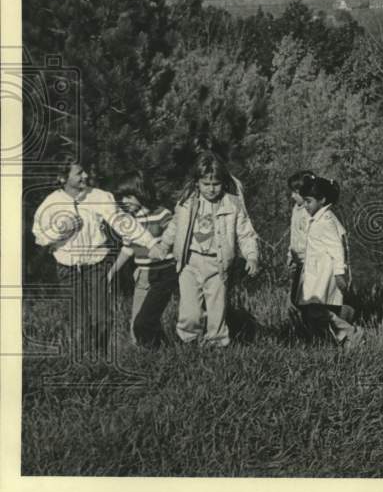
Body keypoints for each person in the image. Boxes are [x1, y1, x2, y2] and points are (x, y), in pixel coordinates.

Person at [31, 157, 160, 361]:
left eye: (85, 171)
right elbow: (39, 236)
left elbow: (123, 222)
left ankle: (99, 357)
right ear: (62, 178)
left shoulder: (100, 197)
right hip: (68, 268)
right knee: (79, 320)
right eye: (79, 173)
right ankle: (82, 361)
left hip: (97, 265)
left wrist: (150, 242)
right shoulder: (51, 203)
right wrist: (60, 230)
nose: (86, 176)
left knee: (103, 317)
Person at [157, 152, 259, 347]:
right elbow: (175, 225)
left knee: (216, 309)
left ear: (223, 182)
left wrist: (252, 256)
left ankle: (217, 343)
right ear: (197, 183)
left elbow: (246, 233)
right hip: (189, 263)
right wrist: (164, 245)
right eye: (206, 184)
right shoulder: (187, 202)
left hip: (218, 264)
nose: (211, 189)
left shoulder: (233, 204)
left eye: (216, 184)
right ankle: (189, 341)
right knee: (190, 311)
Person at [107, 171, 176, 347]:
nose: (124, 201)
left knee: (146, 319)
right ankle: (152, 352)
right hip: (143, 275)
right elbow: (128, 249)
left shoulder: (162, 214)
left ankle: (158, 350)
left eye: (129, 196)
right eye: (121, 197)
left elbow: (177, 240)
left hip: (165, 273)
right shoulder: (129, 221)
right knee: (137, 323)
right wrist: (111, 272)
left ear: (141, 192)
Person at [294, 174, 363, 347]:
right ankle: (328, 341)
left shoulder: (326, 221)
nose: (306, 206)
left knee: (317, 310)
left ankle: (350, 333)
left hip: (322, 275)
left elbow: (337, 249)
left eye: (309, 202)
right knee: (313, 311)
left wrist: (340, 273)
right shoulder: (318, 219)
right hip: (314, 274)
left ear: (322, 200)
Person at [285, 170, 314, 307]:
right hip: (298, 261)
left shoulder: (310, 212)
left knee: (307, 299)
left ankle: (341, 316)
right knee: (296, 298)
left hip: (310, 261)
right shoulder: (296, 209)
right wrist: (290, 255)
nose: (292, 196)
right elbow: (295, 234)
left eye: (296, 193)